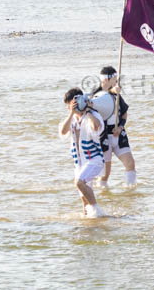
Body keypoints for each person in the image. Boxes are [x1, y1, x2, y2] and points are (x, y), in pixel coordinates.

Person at [58, 88, 106, 217]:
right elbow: (63, 132)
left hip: (94, 159)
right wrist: (71, 113)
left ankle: (98, 213)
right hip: (79, 163)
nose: (70, 106)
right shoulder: (72, 118)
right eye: (69, 104)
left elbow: (96, 127)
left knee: (79, 182)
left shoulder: (93, 115)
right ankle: (90, 222)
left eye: (73, 103)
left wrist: (88, 110)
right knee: (84, 201)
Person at [91, 66, 136, 188]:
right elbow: (92, 112)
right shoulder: (95, 95)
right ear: (106, 80)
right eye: (115, 79)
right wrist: (111, 92)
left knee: (130, 164)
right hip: (104, 137)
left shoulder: (117, 95)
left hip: (118, 133)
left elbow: (125, 113)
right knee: (105, 174)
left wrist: (121, 127)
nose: (117, 82)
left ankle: (131, 191)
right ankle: (103, 195)